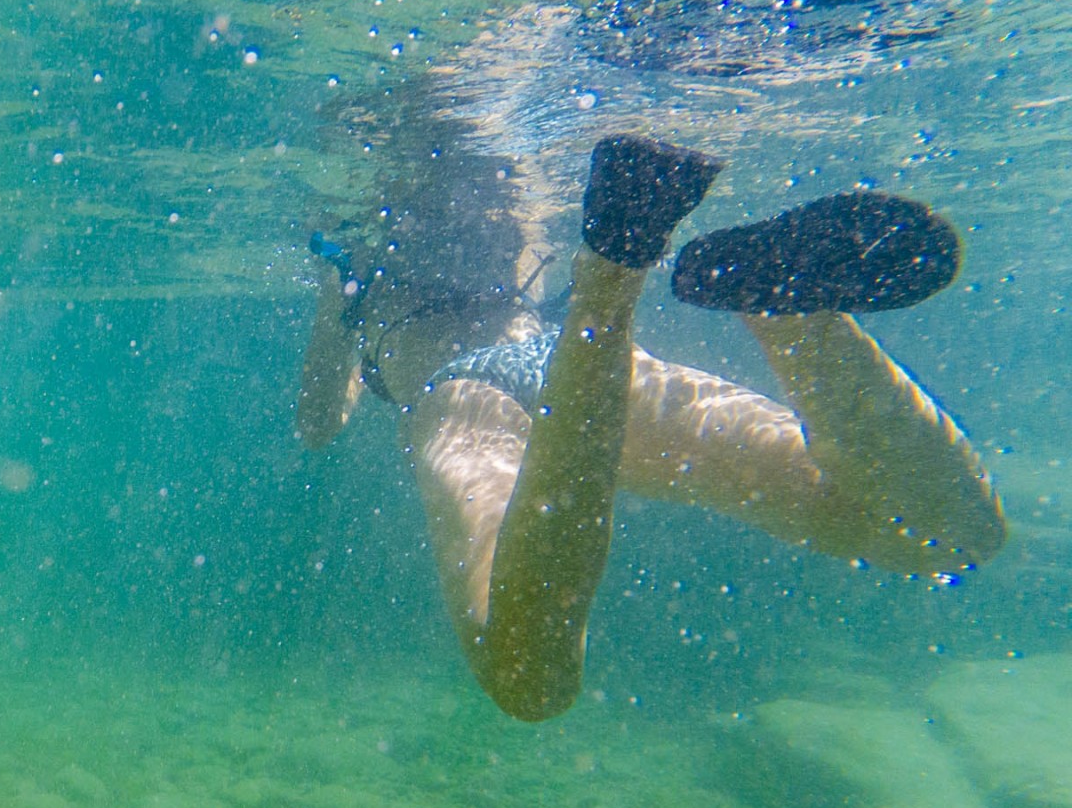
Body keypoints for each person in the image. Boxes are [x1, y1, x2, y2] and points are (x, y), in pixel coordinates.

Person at [297, 135, 1006, 722]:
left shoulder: (354, 263)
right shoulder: (506, 205)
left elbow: (320, 422)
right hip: (580, 363)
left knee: (528, 677)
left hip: (471, 396)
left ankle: (612, 270)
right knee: (947, 536)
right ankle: (786, 313)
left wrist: (342, 300)